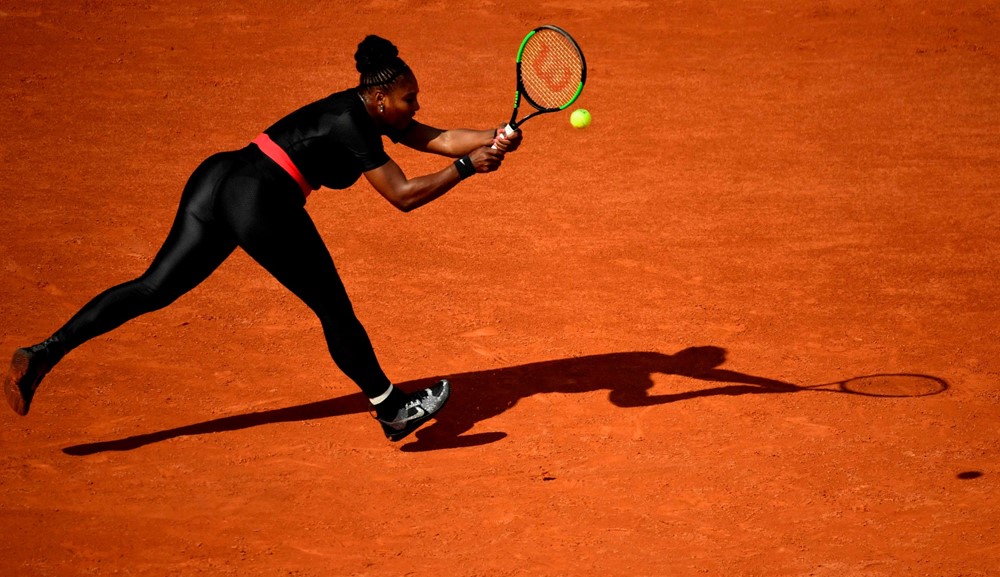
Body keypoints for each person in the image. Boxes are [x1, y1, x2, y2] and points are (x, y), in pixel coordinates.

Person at [2, 35, 521, 442]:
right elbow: (403, 195)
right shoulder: (354, 125)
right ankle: (392, 409)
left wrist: (493, 135)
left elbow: (433, 137)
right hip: (260, 200)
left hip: (218, 178)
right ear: (382, 97)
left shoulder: (361, 108)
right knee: (334, 309)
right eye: (410, 98)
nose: (416, 105)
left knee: (152, 287)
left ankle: (44, 352)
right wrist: (465, 168)